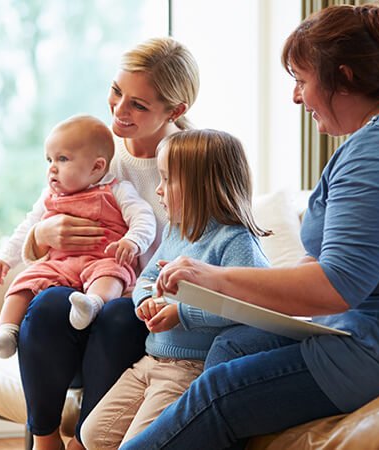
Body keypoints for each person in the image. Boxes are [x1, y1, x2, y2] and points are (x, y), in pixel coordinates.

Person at [120, 1, 379, 449]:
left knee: (218, 393)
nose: (296, 97)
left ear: (345, 77)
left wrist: (213, 279)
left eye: (301, 80)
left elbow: (336, 285)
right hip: (371, 331)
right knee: (233, 347)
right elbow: (330, 268)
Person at [17, 37, 199, 450]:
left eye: (138, 104)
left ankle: (87, 440)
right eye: (117, 92)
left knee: (118, 317)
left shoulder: (195, 159)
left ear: (176, 111)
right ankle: (45, 440)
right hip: (82, 289)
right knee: (46, 306)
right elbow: (39, 216)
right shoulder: (97, 150)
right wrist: (39, 237)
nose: (119, 110)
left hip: (141, 303)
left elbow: (211, 242)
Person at [80, 129, 271, 450]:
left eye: (167, 180)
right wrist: (146, 302)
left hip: (189, 372)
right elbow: (146, 279)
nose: (157, 190)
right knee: (93, 435)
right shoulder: (175, 231)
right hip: (151, 361)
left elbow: (246, 306)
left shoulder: (236, 242)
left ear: (203, 186)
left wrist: (180, 313)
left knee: (138, 445)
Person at [0, 115, 156, 358]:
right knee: (26, 282)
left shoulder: (117, 189)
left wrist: (133, 241)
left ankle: (92, 304)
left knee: (113, 275)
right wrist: (7, 258)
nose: (52, 167)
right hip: (60, 264)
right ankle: (7, 334)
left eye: (62, 159)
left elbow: (144, 217)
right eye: (49, 159)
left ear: (97, 167)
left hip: (101, 258)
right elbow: (28, 225)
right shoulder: (49, 196)